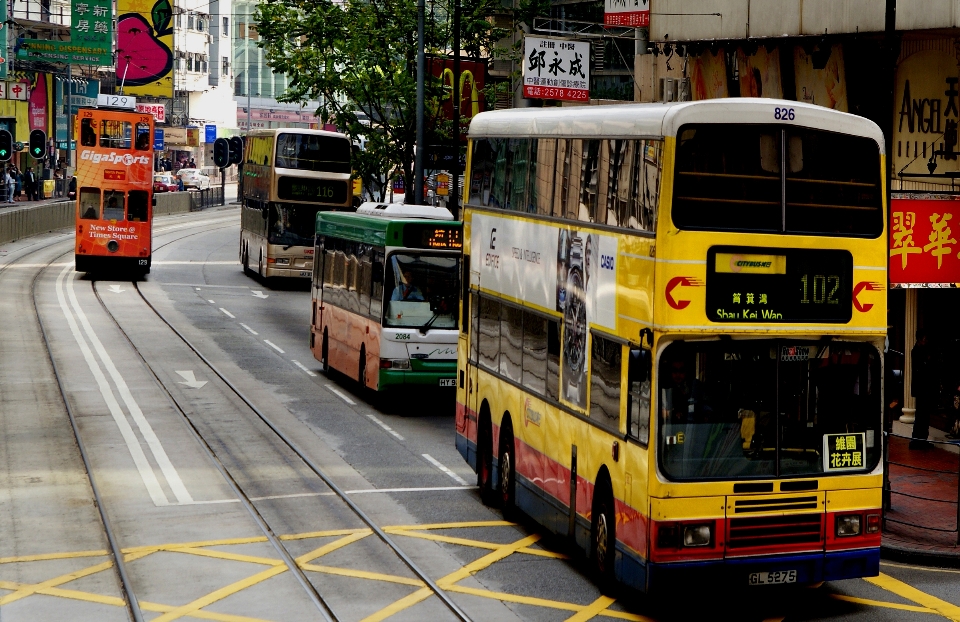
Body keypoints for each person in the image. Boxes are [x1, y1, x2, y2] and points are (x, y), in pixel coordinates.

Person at [910, 329, 938, 449]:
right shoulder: (917, 351)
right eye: (924, 339)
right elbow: (923, 368)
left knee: (924, 415)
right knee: (921, 415)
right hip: (922, 389)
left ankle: (921, 439)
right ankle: (917, 440)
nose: (925, 342)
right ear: (920, 339)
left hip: (925, 388)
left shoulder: (923, 351)